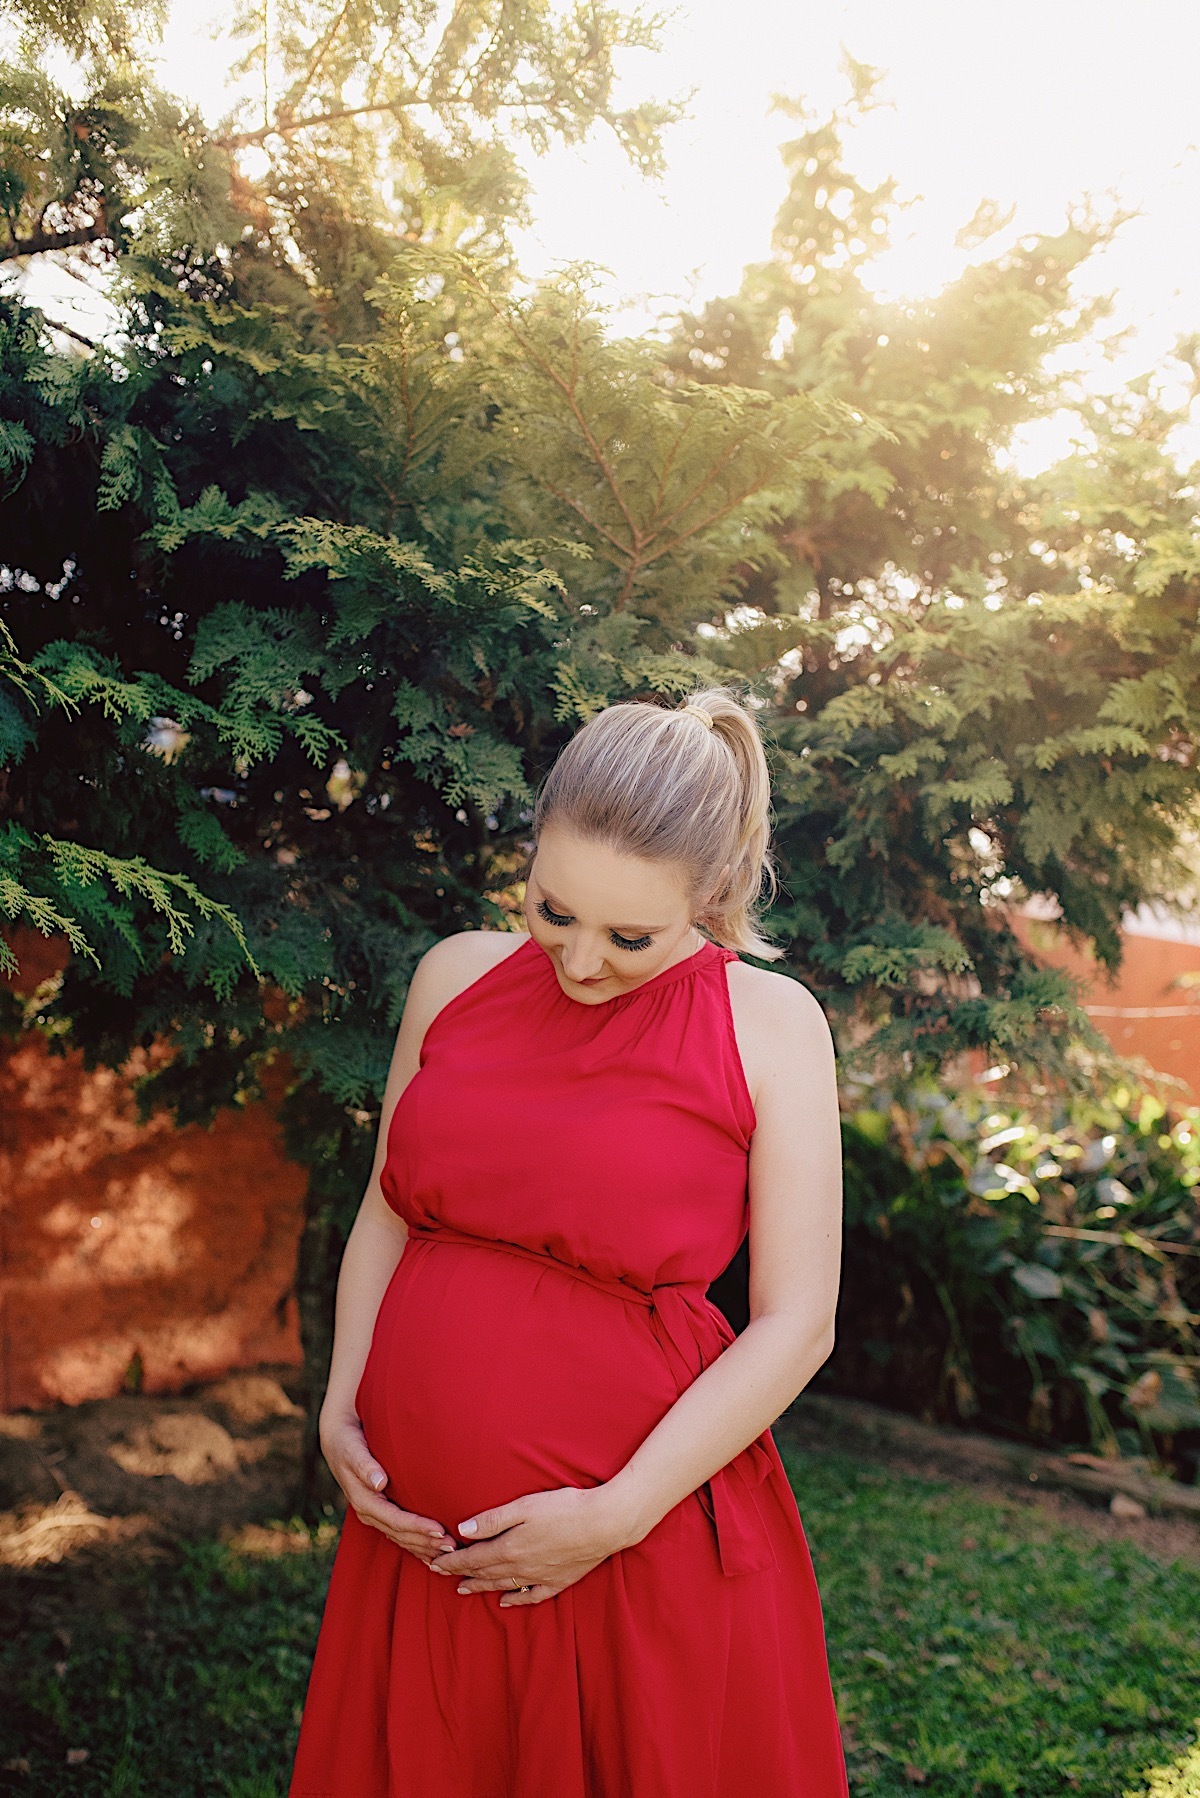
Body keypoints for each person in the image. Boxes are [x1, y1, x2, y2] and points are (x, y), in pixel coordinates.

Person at [288, 687, 849, 1797]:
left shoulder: (770, 1023)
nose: (581, 961)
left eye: (630, 936)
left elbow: (798, 1322)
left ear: (712, 893)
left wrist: (614, 1515)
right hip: (418, 1546)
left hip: (625, 1550)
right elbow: (389, 1210)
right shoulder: (455, 975)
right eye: (553, 911)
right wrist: (342, 1404)